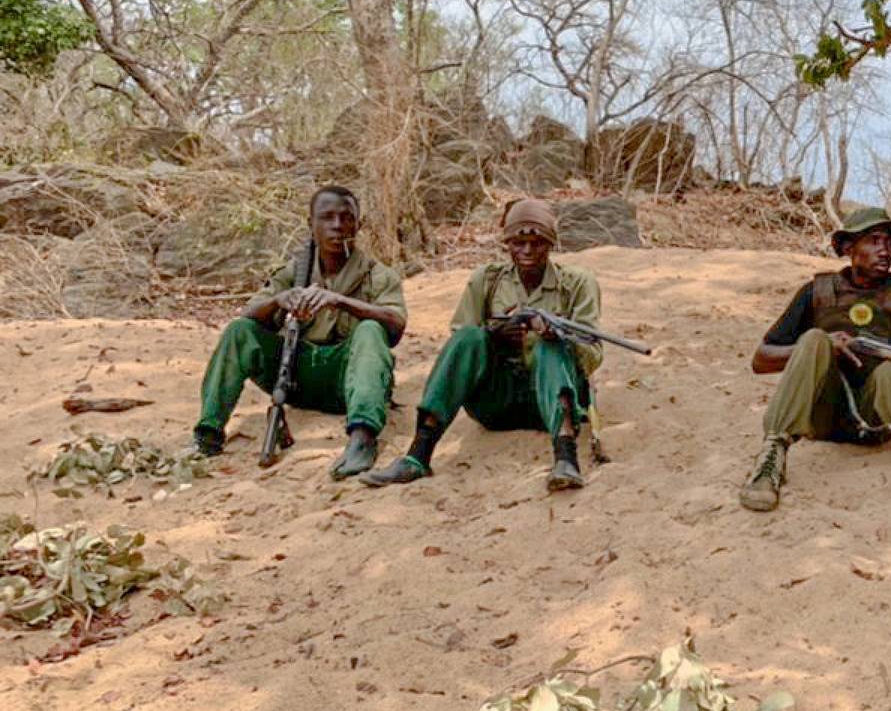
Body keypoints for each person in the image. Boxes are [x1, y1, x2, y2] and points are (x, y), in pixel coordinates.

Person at [738, 207, 891, 517]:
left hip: (875, 419)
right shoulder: (815, 293)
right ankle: (771, 458)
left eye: (890, 243)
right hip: (819, 416)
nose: (885, 250)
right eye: (874, 240)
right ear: (849, 248)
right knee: (812, 339)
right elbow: (761, 360)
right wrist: (824, 346)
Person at [363, 198, 600, 492]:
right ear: (507, 243)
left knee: (551, 347)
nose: (527, 251)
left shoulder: (576, 283)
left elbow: (593, 355)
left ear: (550, 244)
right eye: (518, 242)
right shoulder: (487, 280)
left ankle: (566, 458)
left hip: (553, 403)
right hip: (496, 403)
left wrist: (556, 336)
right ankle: (418, 454)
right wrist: (494, 335)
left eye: (536, 243)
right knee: (468, 337)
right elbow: (461, 343)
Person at [193, 185, 406, 479]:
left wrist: (342, 302)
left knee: (371, 330)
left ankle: (363, 438)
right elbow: (249, 318)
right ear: (310, 224)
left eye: (346, 218)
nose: (337, 226)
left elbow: (395, 326)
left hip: (350, 382)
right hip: (293, 377)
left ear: (359, 224)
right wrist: (278, 301)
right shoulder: (294, 271)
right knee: (239, 330)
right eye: (327, 217)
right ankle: (208, 434)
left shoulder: (378, 274)